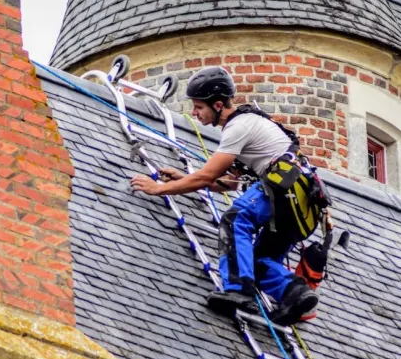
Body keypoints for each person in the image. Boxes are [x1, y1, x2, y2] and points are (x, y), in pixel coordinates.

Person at [130, 66, 322, 325]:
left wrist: (159, 189)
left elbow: (207, 176)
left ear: (218, 105)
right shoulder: (251, 123)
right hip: (300, 205)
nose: (195, 113)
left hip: (282, 189)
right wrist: (182, 179)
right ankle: (295, 294)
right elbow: (228, 182)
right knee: (254, 261)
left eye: (199, 107)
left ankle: (237, 291)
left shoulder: (239, 126)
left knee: (234, 220)